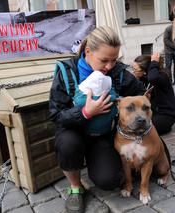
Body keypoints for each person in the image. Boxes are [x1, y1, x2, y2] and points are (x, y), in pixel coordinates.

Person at [49, 26, 145, 213]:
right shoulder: (68, 72)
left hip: (103, 134)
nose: (109, 66)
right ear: (88, 51)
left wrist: (126, 106)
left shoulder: (117, 72)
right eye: (104, 60)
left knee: (109, 181)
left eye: (114, 60)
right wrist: (85, 112)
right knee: (68, 143)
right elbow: (56, 115)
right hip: (73, 132)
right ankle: (76, 188)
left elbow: (141, 93)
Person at [132, 53, 175, 135]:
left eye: (135, 69)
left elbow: (153, 78)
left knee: (141, 129)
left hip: (165, 115)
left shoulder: (161, 77)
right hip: (151, 113)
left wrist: (153, 63)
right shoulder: (142, 79)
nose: (133, 71)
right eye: (133, 68)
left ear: (145, 71)